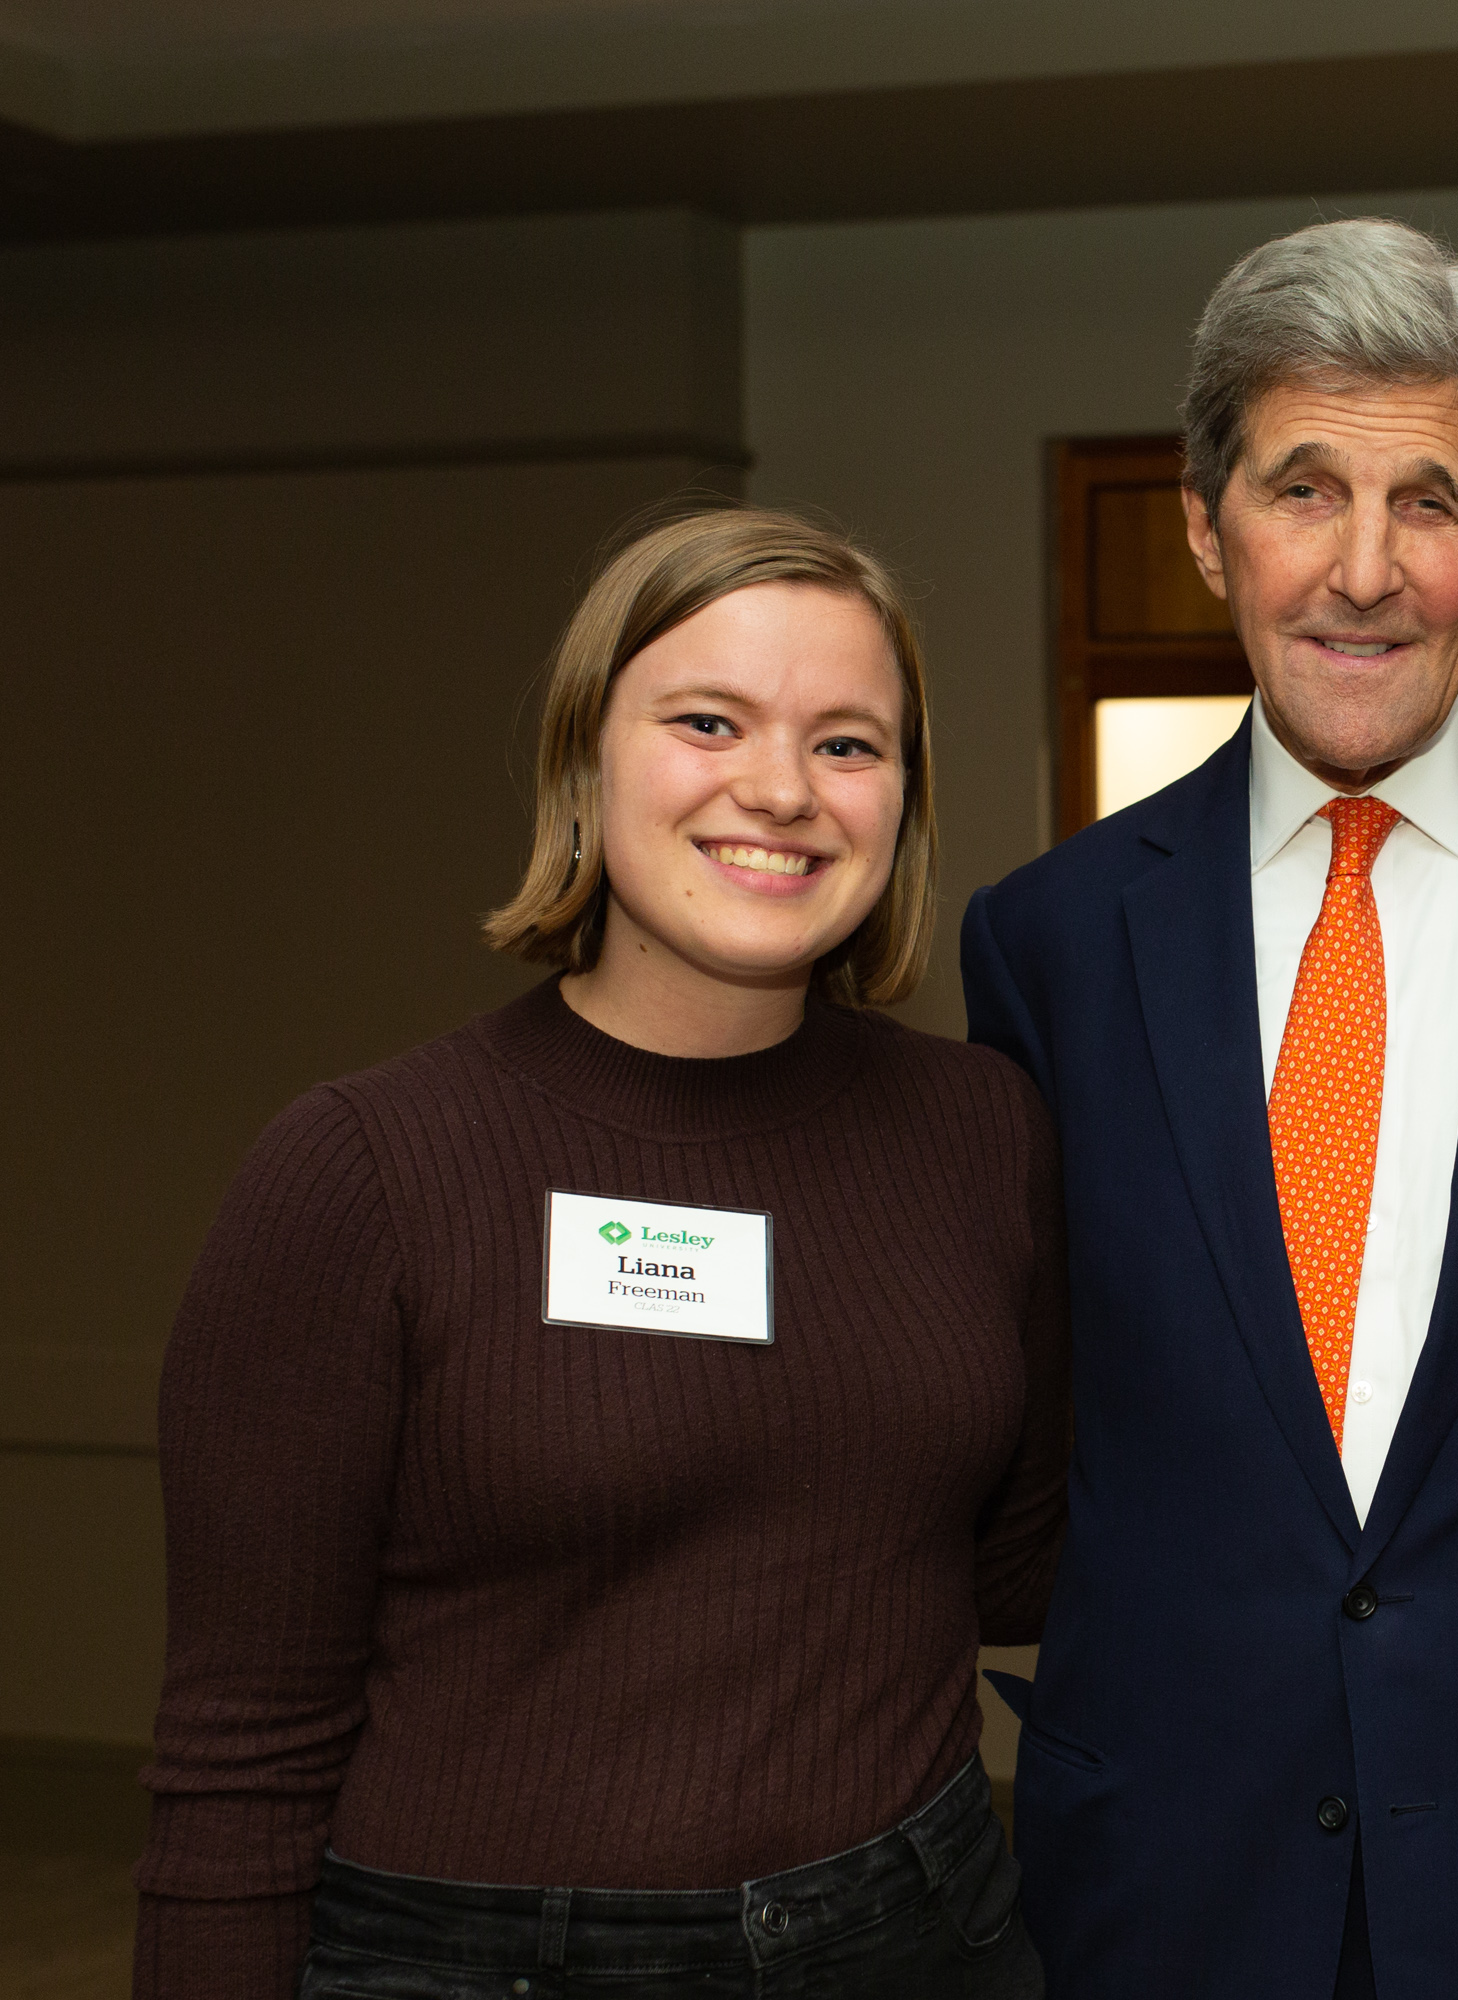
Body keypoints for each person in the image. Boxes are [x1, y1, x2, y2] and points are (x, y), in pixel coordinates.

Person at [963, 217, 1458, 1998]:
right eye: (1303, 490)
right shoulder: (1050, 943)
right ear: (1204, 528)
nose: (1363, 569)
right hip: (1169, 1889)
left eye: (1430, 500)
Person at [134, 506, 1067, 1998]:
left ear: (903, 799)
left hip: (919, 1934)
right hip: (488, 1964)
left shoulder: (982, 1133)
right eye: (708, 721)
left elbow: (1028, 1568)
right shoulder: (361, 1171)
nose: (780, 790)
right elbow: (239, 1757)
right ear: (586, 759)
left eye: (847, 743)